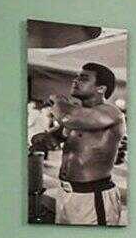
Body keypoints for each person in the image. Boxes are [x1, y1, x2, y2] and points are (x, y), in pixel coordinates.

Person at [31, 62, 126, 225]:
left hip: (92, 196)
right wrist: (43, 140)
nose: (75, 81)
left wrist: (57, 100)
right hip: (65, 193)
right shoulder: (78, 117)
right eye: (76, 77)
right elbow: (52, 138)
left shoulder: (111, 113)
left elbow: (68, 117)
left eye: (84, 78)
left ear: (101, 88)